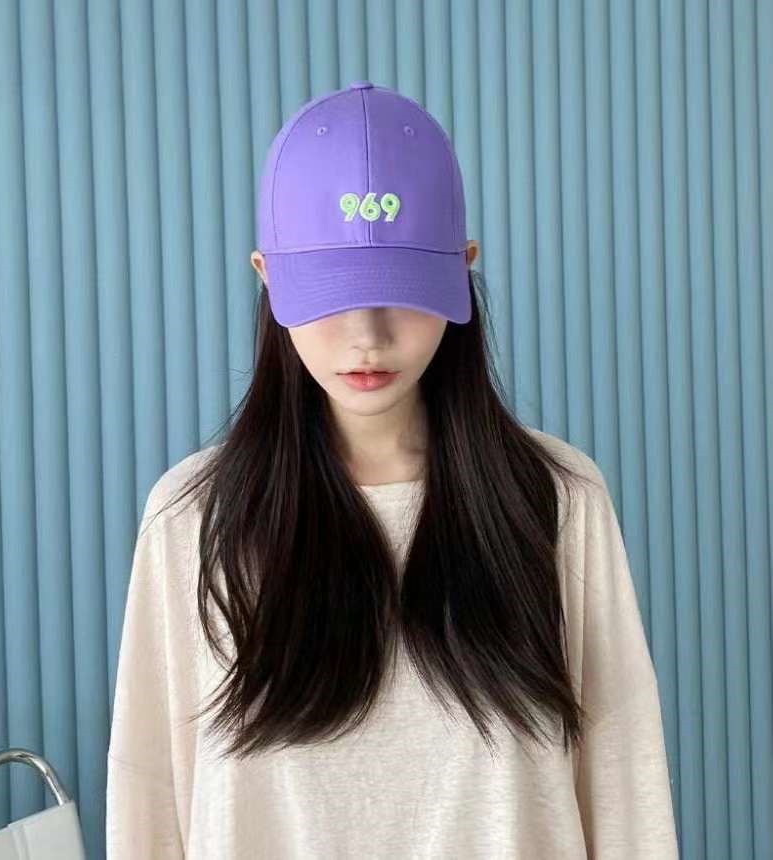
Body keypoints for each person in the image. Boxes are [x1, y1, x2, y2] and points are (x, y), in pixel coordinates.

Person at [106, 82, 679, 858]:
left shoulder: (554, 498)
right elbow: (147, 799)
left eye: (401, 292)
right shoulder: (194, 517)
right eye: (332, 293)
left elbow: (623, 784)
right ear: (266, 275)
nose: (366, 336)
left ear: (463, 271)